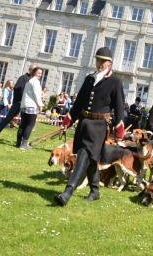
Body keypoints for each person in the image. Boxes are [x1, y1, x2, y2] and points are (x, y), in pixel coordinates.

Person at [55, 47, 125, 206]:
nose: (99, 63)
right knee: (92, 159)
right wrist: (68, 121)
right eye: (98, 60)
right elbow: (78, 103)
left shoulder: (115, 82)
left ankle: (68, 191)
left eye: (103, 60)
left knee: (84, 155)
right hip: (84, 124)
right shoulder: (89, 79)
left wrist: (119, 129)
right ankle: (95, 191)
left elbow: (119, 107)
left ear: (110, 62)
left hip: (99, 127)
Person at [0, 64, 36, 142]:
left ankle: (19, 142)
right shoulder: (23, 78)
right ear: (30, 70)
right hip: (18, 103)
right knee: (7, 119)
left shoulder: (32, 79)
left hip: (26, 104)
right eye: (34, 70)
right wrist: (19, 100)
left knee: (23, 123)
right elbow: (17, 89)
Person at [16, 68, 43, 150]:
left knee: (23, 125)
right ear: (34, 73)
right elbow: (37, 94)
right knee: (29, 125)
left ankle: (18, 143)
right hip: (31, 105)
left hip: (24, 105)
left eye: (41, 73)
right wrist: (40, 105)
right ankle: (24, 145)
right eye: (38, 73)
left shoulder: (29, 81)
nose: (40, 75)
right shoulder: (36, 82)